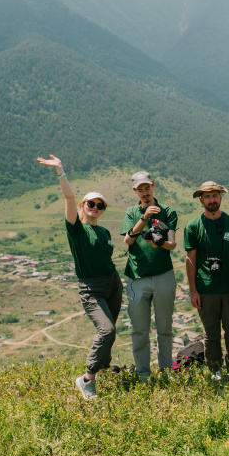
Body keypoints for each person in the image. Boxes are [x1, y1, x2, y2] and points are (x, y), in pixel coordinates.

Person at [37, 155, 122, 400]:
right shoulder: (76, 229)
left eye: (100, 205)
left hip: (112, 283)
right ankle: (87, 380)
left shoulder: (104, 231)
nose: (95, 207)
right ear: (83, 206)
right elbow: (69, 197)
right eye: (91, 203)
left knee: (112, 331)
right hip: (91, 287)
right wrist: (60, 171)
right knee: (106, 331)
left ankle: (104, 369)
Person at [183, 181, 229, 381]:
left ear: (220, 198)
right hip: (206, 289)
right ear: (201, 200)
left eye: (214, 195)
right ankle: (215, 370)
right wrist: (193, 290)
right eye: (207, 196)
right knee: (211, 333)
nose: (211, 200)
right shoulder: (193, 226)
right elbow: (190, 259)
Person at [120, 171, 178, 382]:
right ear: (134, 191)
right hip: (137, 277)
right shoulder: (131, 212)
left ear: (153, 186)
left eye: (147, 188)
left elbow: (172, 244)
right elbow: (128, 241)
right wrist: (144, 218)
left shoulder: (168, 211)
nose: (145, 193)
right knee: (140, 331)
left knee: (165, 329)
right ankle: (143, 375)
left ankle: (165, 374)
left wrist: (160, 243)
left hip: (164, 275)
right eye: (140, 189)